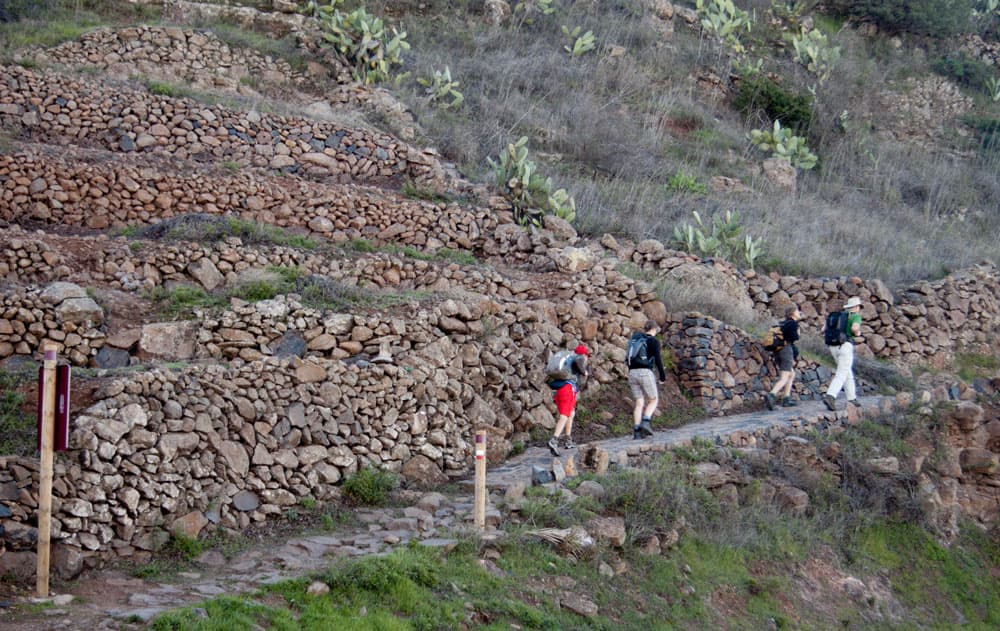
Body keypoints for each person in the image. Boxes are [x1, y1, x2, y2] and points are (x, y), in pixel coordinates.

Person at [627, 320, 666, 440]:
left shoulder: (636, 339)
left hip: (632, 373)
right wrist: (662, 376)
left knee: (639, 403)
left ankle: (637, 431)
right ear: (654, 329)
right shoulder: (653, 341)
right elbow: (658, 360)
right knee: (653, 399)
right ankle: (646, 421)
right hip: (645, 372)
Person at [547, 344, 589, 456]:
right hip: (568, 389)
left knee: (571, 413)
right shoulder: (579, 357)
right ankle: (554, 440)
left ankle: (568, 440)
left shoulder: (568, 360)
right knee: (564, 415)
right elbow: (580, 362)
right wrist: (584, 372)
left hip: (560, 389)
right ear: (584, 354)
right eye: (587, 355)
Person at [823, 296, 863, 412]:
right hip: (845, 345)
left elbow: (823, 329)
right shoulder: (855, 316)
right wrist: (858, 333)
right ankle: (831, 395)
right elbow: (855, 328)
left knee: (847, 372)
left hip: (833, 347)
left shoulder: (837, 316)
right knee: (842, 373)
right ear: (856, 307)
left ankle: (852, 398)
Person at [765, 304, 802, 409]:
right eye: (797, 311)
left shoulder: (783, 323)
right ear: (793, 313)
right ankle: (771, 394)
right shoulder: (793, 324)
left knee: (791, 374)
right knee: (784, 377)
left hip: (778, 351)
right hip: (786, 351)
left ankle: (786, 398)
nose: (799, 313)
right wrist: (798, 333)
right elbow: (793, 338)